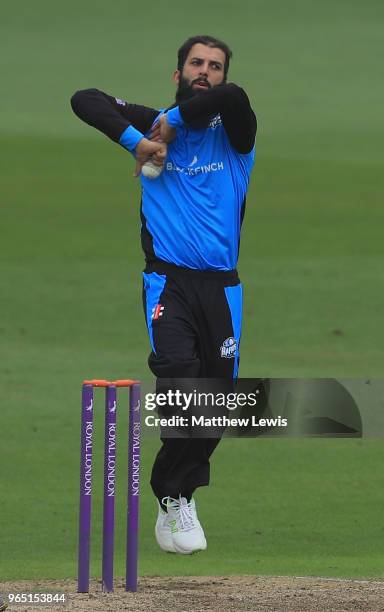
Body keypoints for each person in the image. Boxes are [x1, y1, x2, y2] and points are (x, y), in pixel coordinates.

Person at [71, 34, 257, 555]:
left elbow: (235, 98)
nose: (206, 71)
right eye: (195, 63)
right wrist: (139, 141)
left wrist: (175, 121)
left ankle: (181, 489)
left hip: (221, 286)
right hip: (168, 282)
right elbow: (85, 98)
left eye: (214, 66)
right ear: (178, 74)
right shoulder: (149, 124)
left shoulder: (235, 133)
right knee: (178, 378)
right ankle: (170, 496)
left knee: (216, 407)